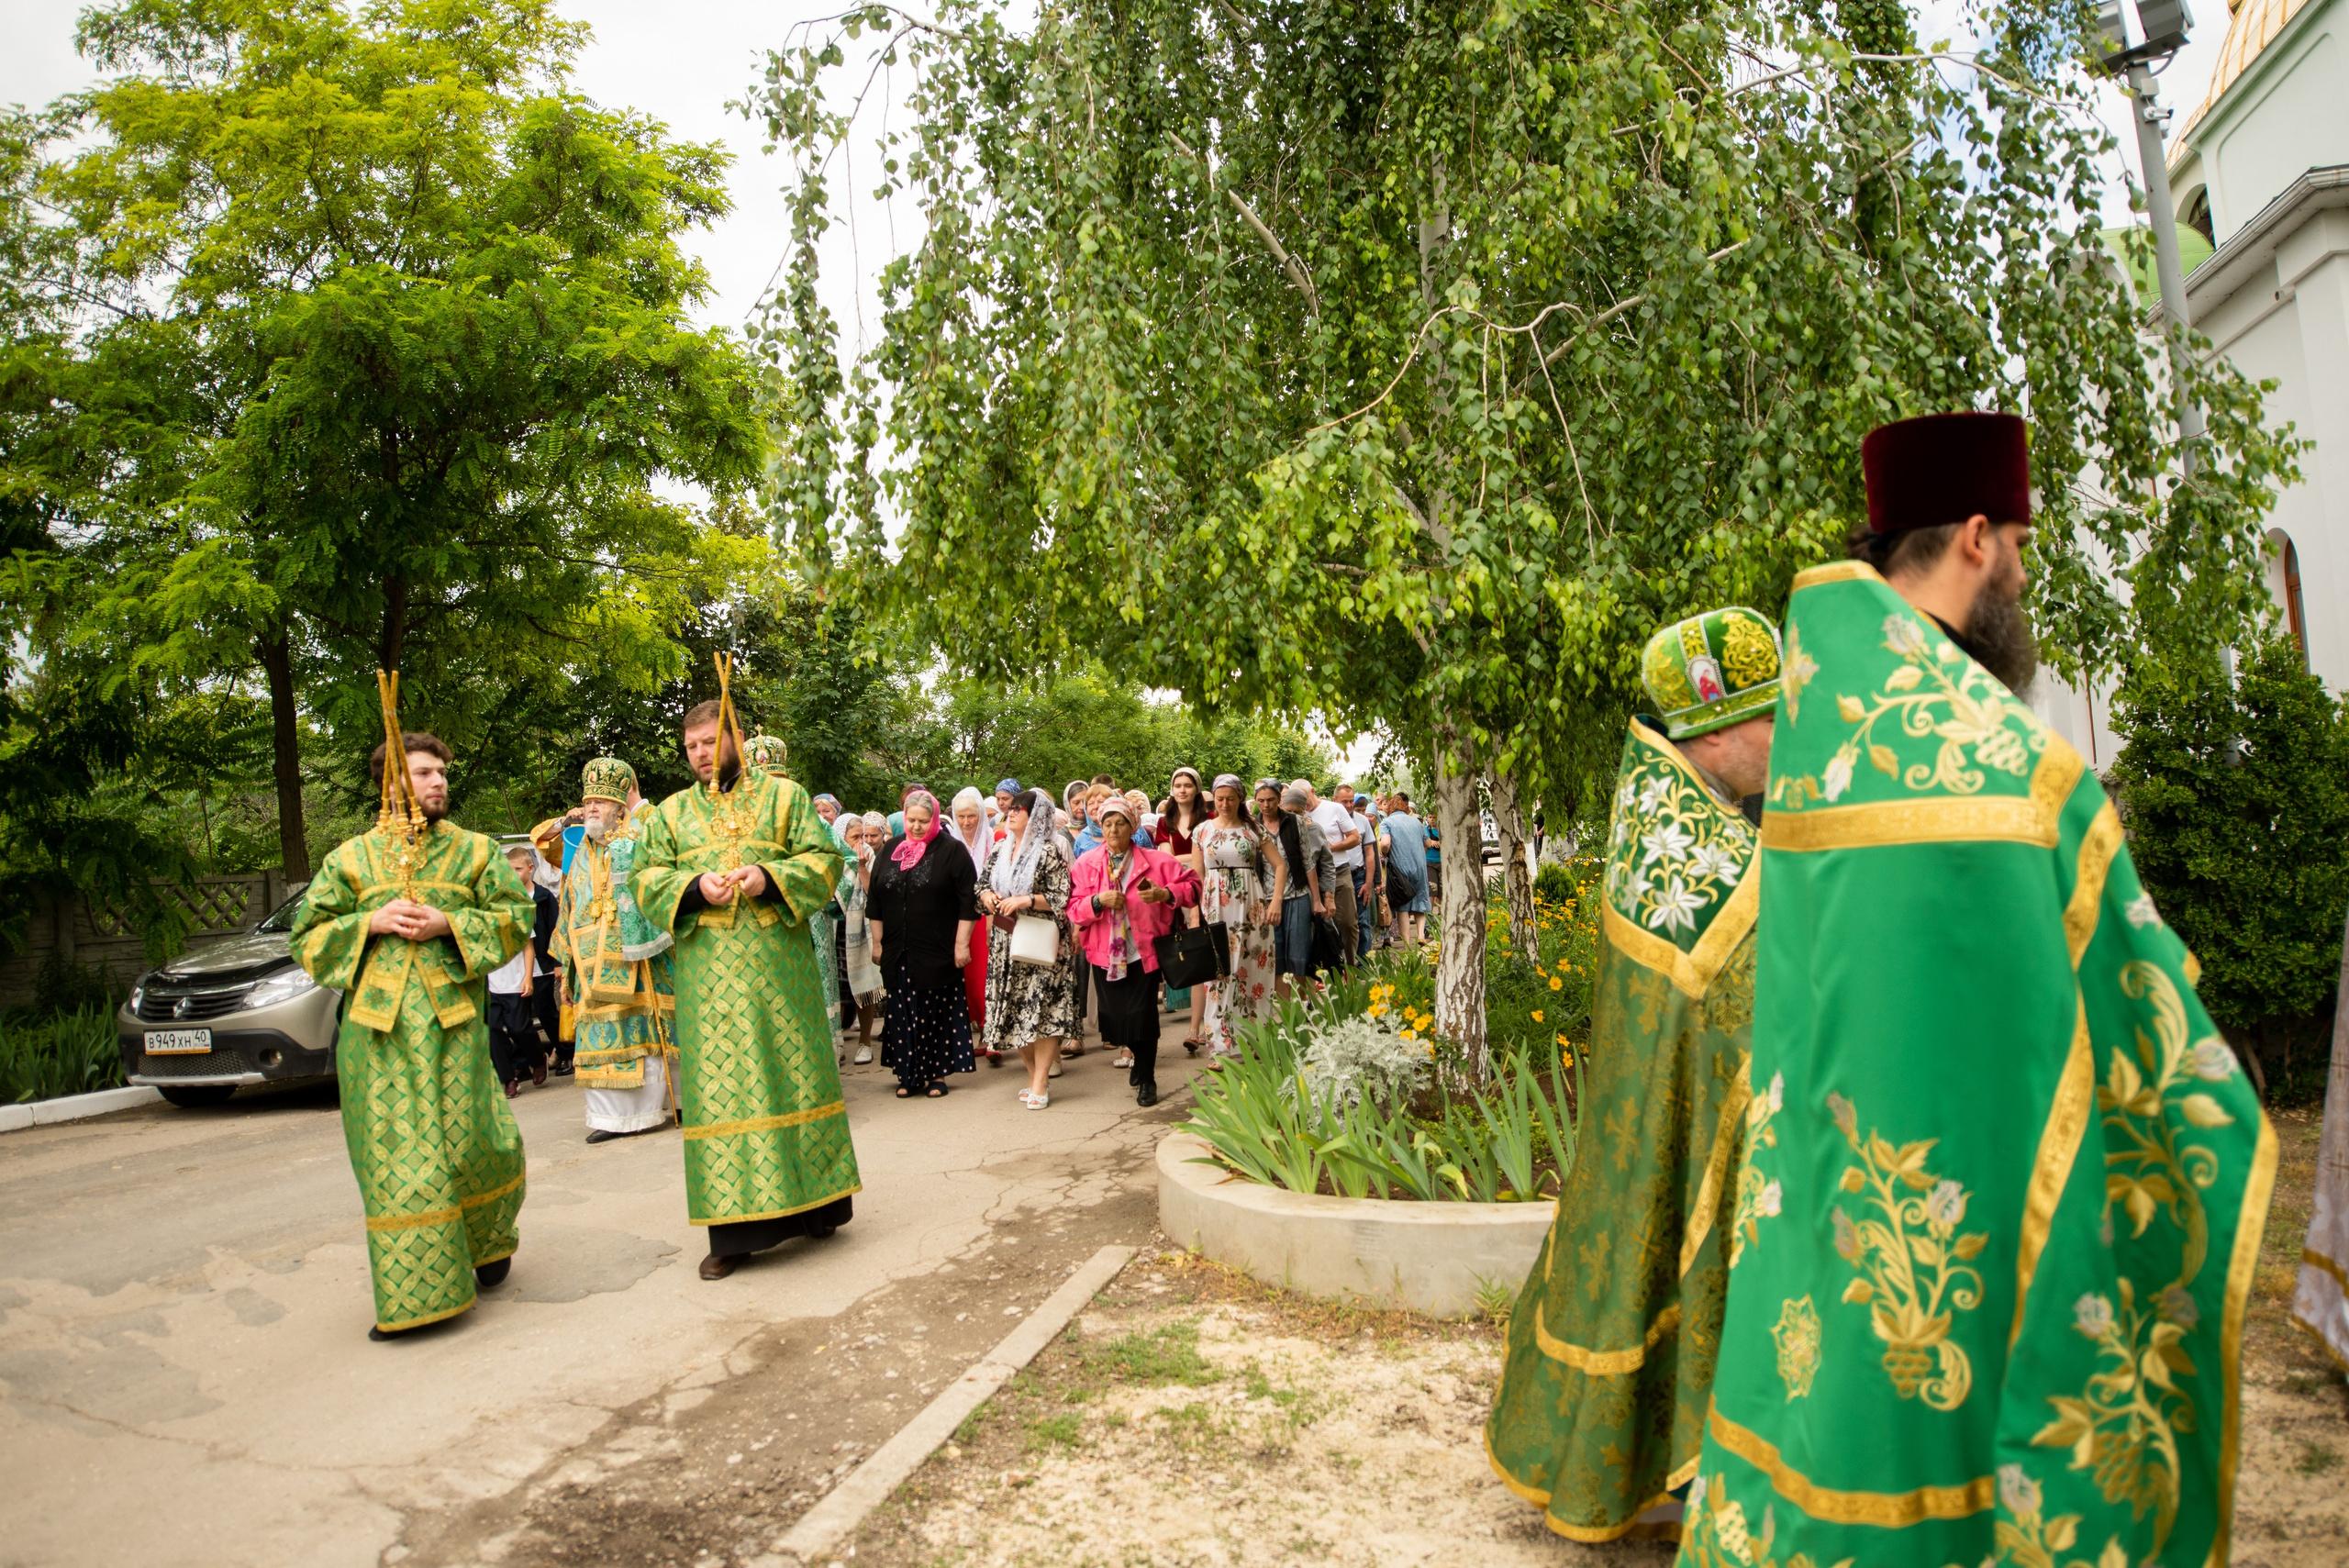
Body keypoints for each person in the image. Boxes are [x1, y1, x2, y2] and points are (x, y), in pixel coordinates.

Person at [1675, 413, 2274, 1567]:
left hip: (1819, 1186)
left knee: (1823, 1450)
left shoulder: (1816, 717)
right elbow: (2111, 991)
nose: (2022, 578)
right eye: (2021, 551)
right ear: (1978, 537)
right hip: (1970, 1207)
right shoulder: (2007, 759)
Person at [1486, 606, 1783, 1543]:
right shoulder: (1702, 853)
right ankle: (1710, 1494)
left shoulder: (1674, 812)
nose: (1788, 740)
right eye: (1773, 719)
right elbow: (1747, 1004)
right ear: (1715, 724)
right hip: (1706, 1132)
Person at [290, 722, 532, 1340]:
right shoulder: (348, 859)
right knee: (401, 1165)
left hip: (453, 1026)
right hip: (379, 1036)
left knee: (481, 1145)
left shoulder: (474, 851)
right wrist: (368, 921)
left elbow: (514, 915)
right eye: (425, 772)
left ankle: (486, 1240)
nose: (438, 782)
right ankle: (416, 1297)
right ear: (390, 781)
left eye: (442, 773)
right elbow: (307, 937)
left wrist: (449, 923)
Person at [631, 695, 856, 1282]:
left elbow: (827, 859)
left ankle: (818, 1207)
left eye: (709, 742)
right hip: (709, 984)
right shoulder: (671, 814)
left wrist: (769, 876)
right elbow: (645, 879)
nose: (700, 755)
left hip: (781, 974)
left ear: (733, 738)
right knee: (725, 1091)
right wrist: (691, 885)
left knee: (793, 1079)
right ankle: (731, 1234)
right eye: (690, 748)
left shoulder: (785, 797)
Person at [554, 758, 680, 1143]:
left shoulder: (640, 835)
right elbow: (568, 901)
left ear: (620, 807)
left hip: (643, 959)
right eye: (587, 801)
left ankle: (673, 1103)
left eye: (600, 802)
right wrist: (563, 959)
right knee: (605, 1038)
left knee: (652, 1031)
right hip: (591, 964)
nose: (591, 808)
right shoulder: (583, 850)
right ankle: (613, 1119)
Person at [1069, 795, 1197, 1106]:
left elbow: (1193, 888)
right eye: (1107, 823)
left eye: (1120, 823)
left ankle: (1147, 1077)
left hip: (1144, 949)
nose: (1113, 830)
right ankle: (1140, 1062)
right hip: (1105, 954)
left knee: (1143, 1015)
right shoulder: (1087, 863)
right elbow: (1074, 908)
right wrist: (1098, 902)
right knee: (1116, 1019)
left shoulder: (1157, 861)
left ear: (1133, 827)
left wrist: (1165, 893)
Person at [868, 788, 979, 1099]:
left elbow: (967, 902)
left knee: (935, 1010)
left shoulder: (951, 851)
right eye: (911, 820)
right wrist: (878, 943)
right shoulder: (890, 848)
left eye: (923, 821)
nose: (916, 827)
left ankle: (937, 1075)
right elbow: (875, 900)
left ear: (934, 819)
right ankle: (908, 1073)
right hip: (897, 948)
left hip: (937, 948)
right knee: (902, 1011)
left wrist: (961, 945)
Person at [977, 787, 1082, 1107]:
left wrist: (1026, 899)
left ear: (1034, 816)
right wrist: (987, 897)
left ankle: (1040, 1081)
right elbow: (980, 885)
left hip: (1040, 942)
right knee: (1011, 1010)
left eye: (1018, 810)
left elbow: (1063, 896)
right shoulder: (998, 850)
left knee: (1044, 1010)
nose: (1010, 813)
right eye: (1009, 810)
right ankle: (1034, 1074)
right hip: (1005, 943)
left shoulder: (1049, 851)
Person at [1195, 774, 1277, 1061]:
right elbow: (1197, 877)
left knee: (1253, 969)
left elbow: (1281, 866)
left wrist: (1275, 901)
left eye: (1231, 798)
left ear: (1240, 798)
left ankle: (1254, 1040)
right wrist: (1197, 915)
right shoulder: (1202, 831)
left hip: (1252, 909)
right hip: (1215, 908)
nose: (1225, 803)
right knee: (1219, 974)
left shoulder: (1253, 828)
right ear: (1213, 799)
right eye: (1220, 798)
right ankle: (1220, 1046)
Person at [486, 842, 554, 1096]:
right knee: (492, 1029)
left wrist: (528, 977)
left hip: (514, 979)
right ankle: (508, 1079)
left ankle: (537, 1060)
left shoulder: (513, 907)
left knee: (519, 1028)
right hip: (490, 982)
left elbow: (528, 946)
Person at [1156, 767, 1212, 1054]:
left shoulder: (1211, 819)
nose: (1182, 790)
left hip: (1207, 895)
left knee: (1204, 961)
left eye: (1187, 785)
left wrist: (1191, 862)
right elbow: (1167, 863)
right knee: (1184, 961)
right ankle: (1194, 1023)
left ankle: (1195, 1028)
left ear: (1196, 789)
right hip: (1175, 894)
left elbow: (1210, 858)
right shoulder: (1164, 821)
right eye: (1177, 785)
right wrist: (1194, 859)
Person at [1267, 783, 1333, 992]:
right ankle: (1286, 1009)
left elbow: (1320, 864)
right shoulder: (1264, 828)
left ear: (1305, 810)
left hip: (1301, 893)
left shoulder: (1313, 829)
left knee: (1301, 954)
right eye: (1289, 811)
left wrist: (1324, 898)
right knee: (1278, 958)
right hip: (1273, 896)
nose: (1294, 815)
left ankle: (1305, 1001)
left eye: (1298, 811)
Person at [949, 786, 1000, 1049]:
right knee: (964, 976)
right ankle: (966, 1029)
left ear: (981, 815)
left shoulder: (994, 840)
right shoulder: (951, 844)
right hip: (958, 917)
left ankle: (988, 1032)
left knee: (984, 974)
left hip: (987, 917)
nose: (967, 822)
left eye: (972, 816)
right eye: (961, 817)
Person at [837, 812, 885, 1063]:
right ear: (839, 837)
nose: (860, 842)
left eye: (862, 836)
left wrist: (862, 866)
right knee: (838, 989)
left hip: (860, 930)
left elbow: (873, 893)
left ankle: (864, 1042)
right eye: (854, 837)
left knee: (863, 987)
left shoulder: (868, 854)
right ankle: (837, 1042)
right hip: (835, 929)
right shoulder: (830, 856)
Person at [1297, 779, 1362, 968]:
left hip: (1339, 871)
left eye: (1305, 798)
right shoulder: (1295, 812)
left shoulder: (1334, 809)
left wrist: (1330, 847)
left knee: (1348, 923)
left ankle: (1351, 966)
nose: (1304, 803)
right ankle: (1324, 970)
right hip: (1311, 876)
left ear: (1313, 791)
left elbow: (1355, 838)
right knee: (1316, 926)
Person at [1381, 793, 1431, 947]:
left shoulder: (1387, 823)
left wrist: (1385, 854)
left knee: (1403, 905)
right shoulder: (1416, 822)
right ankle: (1422, 935)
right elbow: (1429, 844)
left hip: (1400, 869)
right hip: (1419, 867)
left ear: (1390, 808)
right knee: (1420, 900)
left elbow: (1385, 844)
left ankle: (1408, 943)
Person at [1335, 783, 1378, 958]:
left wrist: (1369, 883)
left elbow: (1370, 854)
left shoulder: (1362, 822)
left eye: (1351, 801)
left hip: (1359, 876)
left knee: (1363, 922)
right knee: (1341, 923)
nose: (1348, 805)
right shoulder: (1330, 821)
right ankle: (1342, 963)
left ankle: (1364, 964)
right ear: (1334, 801)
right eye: (1344, 801)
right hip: (1337, 877)